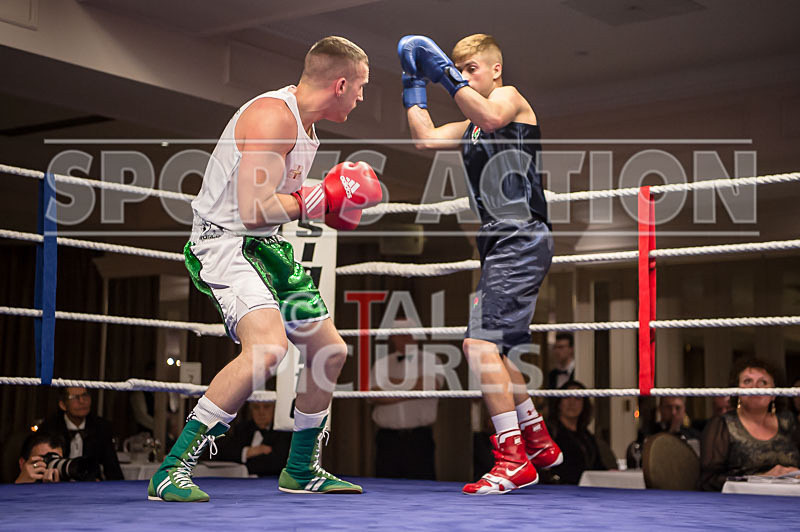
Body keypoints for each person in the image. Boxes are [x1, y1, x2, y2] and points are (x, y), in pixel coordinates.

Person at [148, 35, 382, 502]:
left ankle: (301, 469)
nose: (361, 97)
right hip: (225, 242)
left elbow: (272, 210)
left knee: (329, 351)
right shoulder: (273, 117)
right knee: (268, 349)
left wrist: (322, 197)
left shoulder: (306, 128)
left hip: (265, 245)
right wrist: (322, 196)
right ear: (340, 84)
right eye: (360, 86)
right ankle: (171, 470)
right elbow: (253, 209)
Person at [399, 33, 562, 495]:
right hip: (499, 242)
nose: (464, 77)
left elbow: (490, 116)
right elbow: (425, 139)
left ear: (495, 70)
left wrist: (446, 77)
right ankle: (536, 440)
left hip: (519, 234)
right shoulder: (469, 126)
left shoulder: (509, 99)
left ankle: (513, 459)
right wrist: (414, 83)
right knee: (497, 350)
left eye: (471, 69)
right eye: (458, 70)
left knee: (477, 346)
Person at [699, 358, 800, 491]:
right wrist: (763, 478)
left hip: (792, 496)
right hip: (744, 499)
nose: (755, 387)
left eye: (763, 382)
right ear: (737, 391)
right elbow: (708, 481)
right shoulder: (722, 425)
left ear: (774, 394)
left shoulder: (788, 421)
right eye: (747, 381)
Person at [369, 323, 442, 480]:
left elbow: (430, 386)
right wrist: (414, 388)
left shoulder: (431, 360)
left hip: (419, 438)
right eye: (400, 333)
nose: (405, 337)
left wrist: (389, 385)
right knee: (383, 486)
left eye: (409, 333)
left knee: (423, 485)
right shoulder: (381, 364)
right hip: (387, 439)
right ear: (392, 337)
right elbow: (373, 395)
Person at [39, 387, 123, 481]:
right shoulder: (50, 427)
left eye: (85, 395)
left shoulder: (101, 427)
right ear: (62, 405)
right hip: (57, 483)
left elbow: (112, 466)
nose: (82, 401)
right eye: (75, 397)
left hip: (91, 484)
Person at [544, 381, 613, 485]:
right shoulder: (549, 432)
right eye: (567, 397)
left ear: (584, 404)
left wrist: (612, 474)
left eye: (577, 398)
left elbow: (597, 466)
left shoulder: (586, 435)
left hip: (585, 489)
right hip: (558, 490)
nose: (572, 403)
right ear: (559, 402)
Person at [216, 401, 291, 477]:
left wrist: (243, 467)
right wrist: (248, 452)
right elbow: (220, 453)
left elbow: (278, 463)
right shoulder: (242, 429)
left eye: (266, 407)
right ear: (250, 410)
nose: (261, 413)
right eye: (256, 407)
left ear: (275, 409)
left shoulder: (284, 433)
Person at [637, 396, 701, 454]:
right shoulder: (647, 434)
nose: (673, 412)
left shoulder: (694, 436)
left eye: (678, 408)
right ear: (660, 408)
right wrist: (671, 431)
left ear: (684, 409)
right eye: (669, 407)